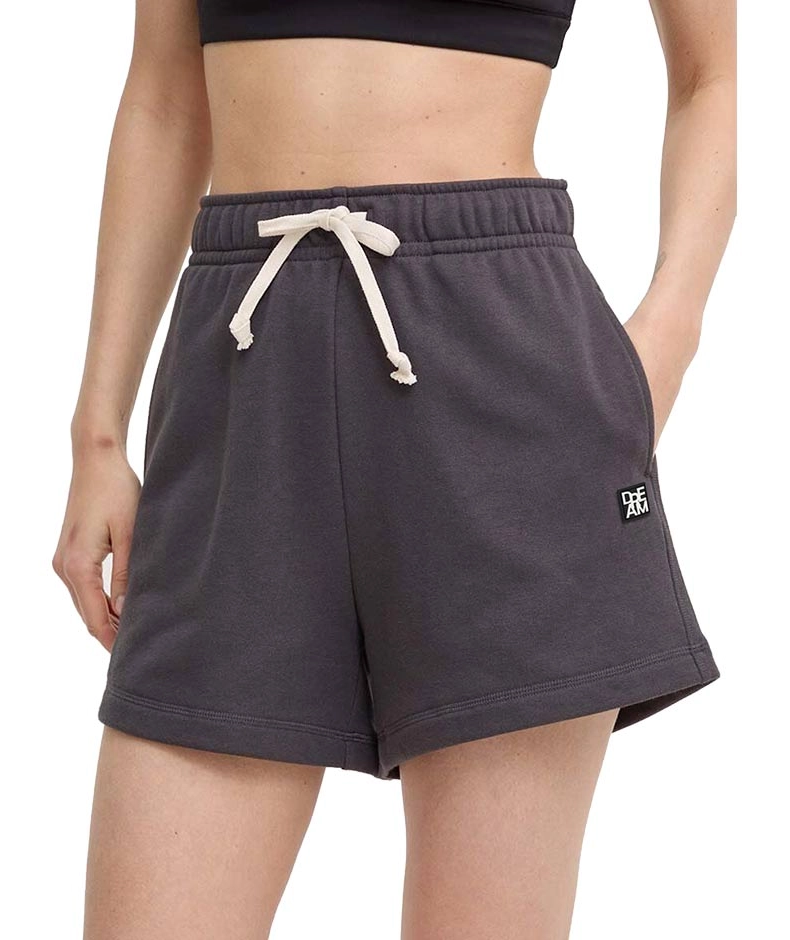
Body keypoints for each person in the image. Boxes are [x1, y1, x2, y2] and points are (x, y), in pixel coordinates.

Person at [52, 1, 735, 937]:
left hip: (500, 355)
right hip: (242, 362)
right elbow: (165, 97)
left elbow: (707, 78)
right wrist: (97, 435)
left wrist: (665, 339)